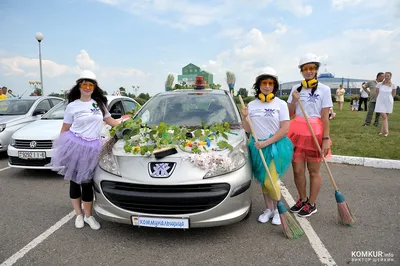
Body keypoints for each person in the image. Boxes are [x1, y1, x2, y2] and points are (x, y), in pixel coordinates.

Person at [49, 70, 120, 230]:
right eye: (84, 84)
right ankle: (78, 215)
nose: (87, 87)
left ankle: (89, 216)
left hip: (94, 147)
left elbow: (109, 120)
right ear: (79, 86)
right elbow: (65, 128)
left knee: (88, 183)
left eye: (91, 84)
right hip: (75, 146)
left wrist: (126, 125)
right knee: (75, 182)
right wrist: (63, 150)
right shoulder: (72, 106)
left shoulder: (99, 104)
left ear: (94, 87)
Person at [241, 67, 293, 225]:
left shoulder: (281, 104)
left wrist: (266, 142)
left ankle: (278, 210)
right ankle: (269, 209)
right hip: (257, 147)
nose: (267, 86)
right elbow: (247, 129)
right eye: (264, 83)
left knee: (271, 181)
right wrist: (244, 117)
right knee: (264, 181)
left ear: (275, 86)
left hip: (276, 147)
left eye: (271, 83)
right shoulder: (251, 105)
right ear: (259, 85)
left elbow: (285, 128)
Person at [287, 53, 333, 217]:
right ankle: (303, 199)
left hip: (315, 133)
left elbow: (325, 117)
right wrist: (294, 99)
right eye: (305, 69)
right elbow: (290, 113)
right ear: (301, 71)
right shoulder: (295, 89)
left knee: (314, 171)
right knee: (297, 170)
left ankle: (312, 203)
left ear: (316, 70)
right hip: (296, 133)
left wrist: (325, 139)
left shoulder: (325, 90)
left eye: (312, 68)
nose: (308, 71)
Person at [375, 72, 396, 137]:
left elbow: (393, 94)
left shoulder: (393, 85)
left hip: (388, 102)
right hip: (381, 102)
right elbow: (377, 92)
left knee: (385, 117)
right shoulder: (379, 84)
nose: (386, 77)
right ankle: (386, 132)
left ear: (390, 77)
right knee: (384, 116)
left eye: (388, 76)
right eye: (385, 76)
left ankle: (381, 131)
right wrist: (381, 99)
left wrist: (389, 99)